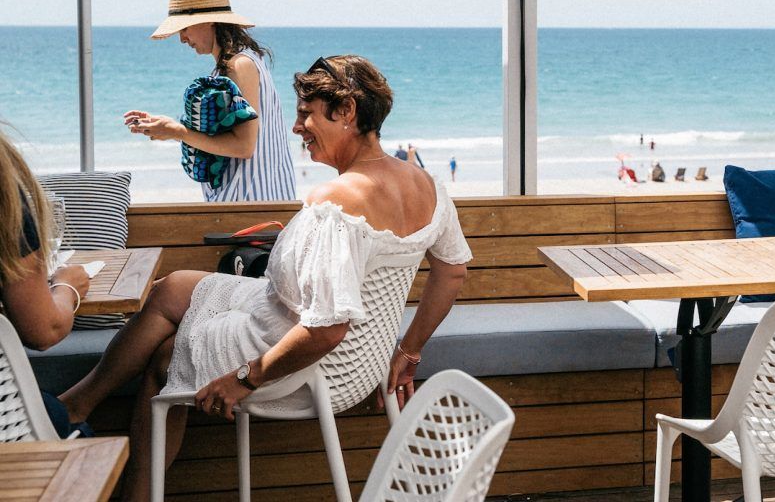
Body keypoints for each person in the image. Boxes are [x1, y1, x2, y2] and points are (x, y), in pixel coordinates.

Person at [58, 56, 472, 499]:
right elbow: (452, 272)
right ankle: (77, 404)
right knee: (172, 288)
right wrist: (408, 353)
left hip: (304, 364)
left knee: (163, 358)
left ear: (347, 112)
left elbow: (328, 328)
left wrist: (244, 379)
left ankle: (123, 479)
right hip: (352, 360)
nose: (297, 128)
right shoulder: (428, 186)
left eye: (306, 113)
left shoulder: (337, 204)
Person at [124, 0, 296, 202]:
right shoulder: (234, 65)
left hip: (250, 204)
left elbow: (244, 146)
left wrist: (177, 132)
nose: (182, 38)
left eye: (185, 28)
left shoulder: (240, 64)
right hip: (247, 201)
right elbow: (226, 139)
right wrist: (169, 128)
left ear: (211, 22)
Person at [0, 128, 92, 437]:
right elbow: (44, 331)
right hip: (7, 428)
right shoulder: (5, 199)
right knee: (78, 436)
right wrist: (67, 288)